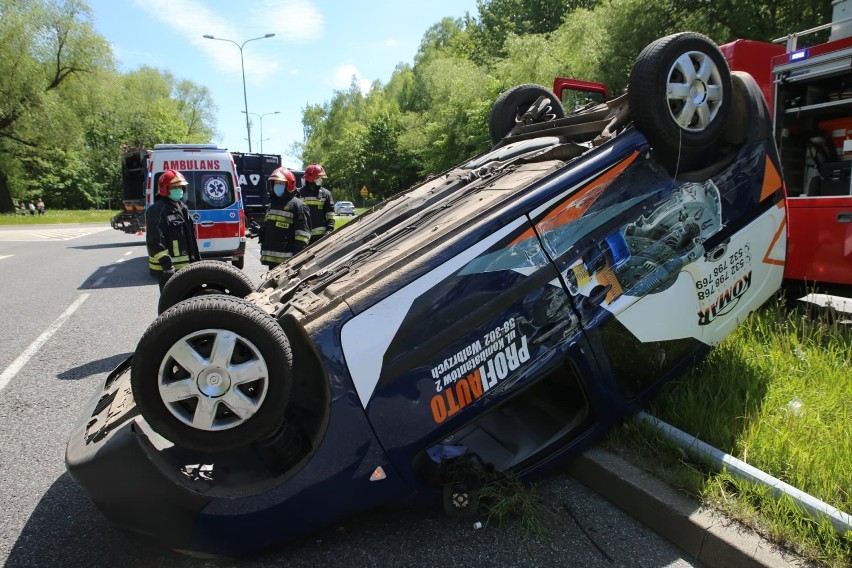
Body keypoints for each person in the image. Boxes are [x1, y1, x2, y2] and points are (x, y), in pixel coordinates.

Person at [146, 169, 200, 291]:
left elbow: (189, 238)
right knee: (171, 303)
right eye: (175, 187)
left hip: (186, 266)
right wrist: (167, 265)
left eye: (181, 187)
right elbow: (155, 241)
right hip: (168, 270)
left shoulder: (182, 207)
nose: (179, 190)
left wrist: (196, 262)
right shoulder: (157, 210)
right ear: (165, 189)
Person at [259, 166, 311, 268]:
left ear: (289, 185)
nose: (277, 186)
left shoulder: (298, 206)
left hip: (289, 262)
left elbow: (303, 236)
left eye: (281, 183)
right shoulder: (272, 204)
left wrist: (296, 259)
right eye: (276, 183)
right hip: (272, 262)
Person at [300, 163, 335, 244]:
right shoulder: (299, 193)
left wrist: (330, 229)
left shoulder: (326, 194)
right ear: (310, 178)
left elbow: (330, 214)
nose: (320, 179)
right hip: (303, 237)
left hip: (321, 237)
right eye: (318, 177)